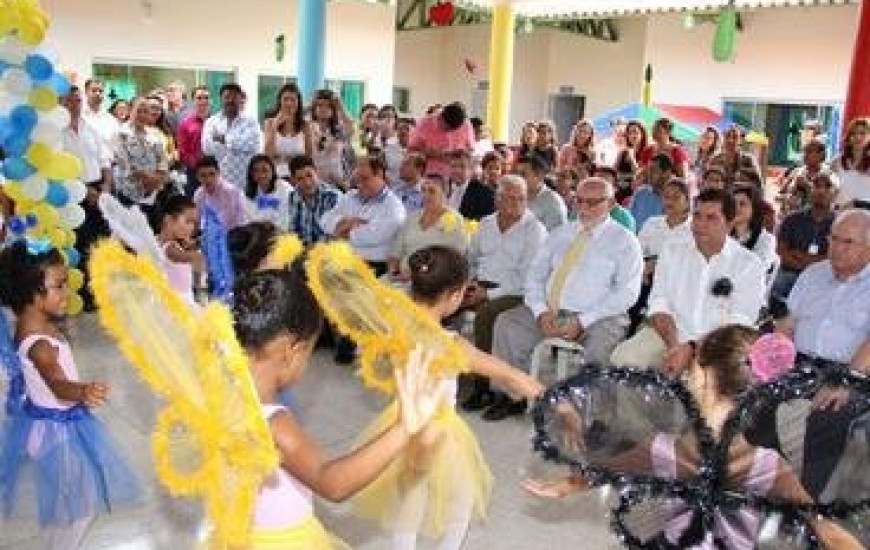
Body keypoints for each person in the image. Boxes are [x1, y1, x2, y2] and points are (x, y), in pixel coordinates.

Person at [524, 325, 864, 550]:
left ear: (699, 376)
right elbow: (823, 526)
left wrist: (570, 483)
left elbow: (613, 468)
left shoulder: (666, 449)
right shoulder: (766, 464)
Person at [230, 268, 442, 548]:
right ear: (293, 350)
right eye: (309, 353)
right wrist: (403, 428)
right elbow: (332, 482)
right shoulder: (273, 423)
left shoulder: (223, 392)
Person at [353, 245, 543, 550]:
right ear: (455, 296)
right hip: (440, 431)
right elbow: (508, 373)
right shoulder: (449, 345)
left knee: (407, 502)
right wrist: (554, 397)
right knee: (461, 502)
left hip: (401, 424)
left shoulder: (392, 327)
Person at [0, 241, 140, 550]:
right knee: (78, 506)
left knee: (73, 500)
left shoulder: (30, 324)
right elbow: (55, 383)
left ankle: (60, 541)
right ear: (30, 293)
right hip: (57, 428)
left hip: (45, 420)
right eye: (59, 286)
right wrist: (81, 390)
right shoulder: (40, 344)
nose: (68, 293)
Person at [487, 177, 643, 420]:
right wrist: (541, 312)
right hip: (552, 311)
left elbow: (627, 294)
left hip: (600, 316)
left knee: (601, 351)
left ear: (611, 203)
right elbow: (535, 276)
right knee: (507, 324)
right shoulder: (560, 234)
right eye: (580, 201)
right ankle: (511, 396)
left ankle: (595, 418)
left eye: (594, 203)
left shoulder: (625, 241)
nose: (585, 208)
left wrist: (583, 320)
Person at [611, 188, 766, 375]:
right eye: (697, 216)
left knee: (711, 382)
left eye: (711, 218)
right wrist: (674, 346)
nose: (701, 224)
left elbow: (738, 324)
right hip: (669, 335)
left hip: (718, 345)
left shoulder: (748, 265)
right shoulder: (673, 250)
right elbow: (659, 303)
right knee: (623, 360)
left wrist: (692, 349)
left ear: (729, 223)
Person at [772, 209, 870, 499]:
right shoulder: (814, 274)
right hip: (802, 365)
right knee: (760, 401)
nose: (836, 248)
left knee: (827, 417)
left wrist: (847, 380)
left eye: (847, 242)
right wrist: (774, 361)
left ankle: (807, 507)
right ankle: (766, 486)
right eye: (833, 239)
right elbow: (787, 325)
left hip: (853, 372)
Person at [461, 175, 547, 411]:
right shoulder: (487, 223)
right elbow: (471, 258)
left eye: (521, 199)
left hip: (516, 292)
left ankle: (485, 388)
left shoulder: (534, 230)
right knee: (440, 302)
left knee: (487, 316)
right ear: (497, 199)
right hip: (481, 283)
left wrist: (486, 295)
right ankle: (441, 374)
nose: (515, 203)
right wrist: (468, 283)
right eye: (509, 198)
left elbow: (526, 278)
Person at [61, 85, 113, 312]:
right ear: (60, 103)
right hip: (74, 195)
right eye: (69, 101)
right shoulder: (57, 132)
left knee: (100, 244)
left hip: (99, 190)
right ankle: (83, 296)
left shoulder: (90, 129)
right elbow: (60, 169)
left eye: (77, 100)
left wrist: (107, 186)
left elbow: (105, 160)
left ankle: (101, 292)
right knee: (79, 245)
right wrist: (85, 191)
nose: (74, 105)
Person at [770, 171, 837, 306]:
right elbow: (781, 252)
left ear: (835, 192)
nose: (821, 191)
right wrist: (806, 265)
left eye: (827, 186)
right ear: (810, 190)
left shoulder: (841, 223)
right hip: (790, 273)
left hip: (825, 277)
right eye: (816, 185)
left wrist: (799, 255)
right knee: (775, 288)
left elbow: (834, 258)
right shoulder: (792, 219)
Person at [387, 174, 468, 282]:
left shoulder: (455, 220)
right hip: (401, 278)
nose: (425, 195)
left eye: (431, 191)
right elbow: (395, 253)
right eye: (423, 190)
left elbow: (453, 261)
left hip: (433, 281)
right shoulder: (412, 217)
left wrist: (416, 275)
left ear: (445, 193)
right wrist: (393, 272)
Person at [201, 83, 262, 190]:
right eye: (226, 97)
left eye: (234, 97)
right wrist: (239, 144)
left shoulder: (251, 122)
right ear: (221, 99)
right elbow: (207, 149)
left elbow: (254, 145)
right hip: (219, 183)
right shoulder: (211, 122)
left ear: (240, 99)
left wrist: (224, 139)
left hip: (245, 183)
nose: (230, 100)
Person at [156, 194, 205, 306]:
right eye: (188, 222)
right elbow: (182, 257)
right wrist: (202, 254)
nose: (192, 228)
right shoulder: (171, 249)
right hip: (180, 307)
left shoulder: (159, 241)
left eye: (194, 223)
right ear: (168, 219)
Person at [408, 102, 475, 179]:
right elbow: (411, 150)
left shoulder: (466, 124)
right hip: (429, 176)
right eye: (447, 128)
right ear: (441, 117)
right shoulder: (424, 123)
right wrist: (431, 153)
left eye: (453, 130)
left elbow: (470, 150)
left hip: (456, 177)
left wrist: (461, 153)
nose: (449, 132)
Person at [287, 155, 341, 245]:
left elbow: (337, 234)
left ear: (317, 172)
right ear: (293, 180)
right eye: (300, 179)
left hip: (328, 252)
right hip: (300, 252)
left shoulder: (333, 196)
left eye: (309, 175)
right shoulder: (292, 197)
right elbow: (291, 232)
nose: (307, 182)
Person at [263, 83, 313, 181]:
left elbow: (308, 157)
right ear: (279, 101)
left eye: (293, 100)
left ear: (298, 103)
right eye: (285, 99)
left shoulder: (305, 125)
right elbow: (268, 155)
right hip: (275, 176)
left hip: (298, 177)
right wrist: (274, 127)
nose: (289, 103)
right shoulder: (269, 122)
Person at [731, 184, 778, 284]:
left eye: (742, 204)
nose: (736, 208)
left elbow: (757, 269)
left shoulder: (766, 239)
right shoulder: (723, 233)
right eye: (733, 203)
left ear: (754, 209)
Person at [192, 155, 247, 230]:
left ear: (218, 173)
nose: (208, 179)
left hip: (236, 232)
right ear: (197, 177)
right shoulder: (198, 194)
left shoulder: (230, 192)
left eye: (212, 174)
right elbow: (196, 221)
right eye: (203, 175)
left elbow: (235, 222)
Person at [514, 154, 567, 231]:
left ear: (539, 175)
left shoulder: (553, 202)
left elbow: (556, 236)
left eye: (523, 174)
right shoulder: (515, 197)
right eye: (517, 174)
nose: (518, 179)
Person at [176, 85, 211, 196]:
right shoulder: (185, 124)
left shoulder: (218, 122)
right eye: (199, 98)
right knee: (195, 209)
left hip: (216, 173)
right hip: (194, 174)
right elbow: (182, 151)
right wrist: (199, 165)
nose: (203, 101)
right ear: (193, 101)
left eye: (206, 97)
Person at [243, 154, 292, 232]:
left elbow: (287, 216)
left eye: (265, 170)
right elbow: (249, 218)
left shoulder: (284, 188)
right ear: (251, 174)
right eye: (256, 171)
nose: (261, 175)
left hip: (282, 233)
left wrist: (271, 226)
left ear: (273, 171)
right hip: (257, 233)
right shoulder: (247, 192)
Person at [833, 117, 870, 208]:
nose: (858, 137)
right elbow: (831, 189)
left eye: (862, 133)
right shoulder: (837, 161)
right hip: (840, 212)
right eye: (853, 133)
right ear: (848, 137)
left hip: (866, 215)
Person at [448, 150, 495, 221]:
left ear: (471, 169)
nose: (457, 171)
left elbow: (486, 220)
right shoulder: (442, 188)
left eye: (462, 166)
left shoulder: (484, 192)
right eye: (453, 166)